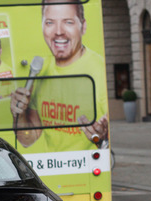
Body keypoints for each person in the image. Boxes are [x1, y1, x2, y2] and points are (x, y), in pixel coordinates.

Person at [9, 0, 108, 151]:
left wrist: (103, 139)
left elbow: (108, 139)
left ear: (83, 26)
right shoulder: (40, 70)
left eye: (68, 22)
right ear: (42, 26)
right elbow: (27, 139)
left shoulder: (100, 71)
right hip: (54, 168)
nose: (58, 31)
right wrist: (20, 115)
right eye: (50, 23)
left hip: (85, 166)